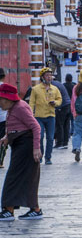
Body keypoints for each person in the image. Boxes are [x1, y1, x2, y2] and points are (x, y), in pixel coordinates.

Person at [0, 84, 43, 221]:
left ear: (7, 99)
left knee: (14, 177)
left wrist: (36, 148)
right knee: (25, 178)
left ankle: (9, 209)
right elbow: (16, 126)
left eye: (0, 100)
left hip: (27, 146)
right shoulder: (12, 108)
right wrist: (7, 137)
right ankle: (33, 209)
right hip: (19, 145)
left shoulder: (20, 108)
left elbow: (35, 127)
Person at [29, 68, 62, 165]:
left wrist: (55, 103)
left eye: (50, 75)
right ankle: (40, 156)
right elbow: (31, 103)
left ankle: (48, 157)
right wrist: (30, 114)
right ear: (42, 77)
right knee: (40, 136)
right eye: (47, 75)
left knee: (50, 138)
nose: (49, 77)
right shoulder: (35, 89)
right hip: (39, 117)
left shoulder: (55, 89)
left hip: (51, 116)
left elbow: (60, 100)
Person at [52, 75, 71, 150]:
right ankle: (65, 143)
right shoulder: (59, 83)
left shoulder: (53, 85)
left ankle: (59, 143)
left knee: (60, 125)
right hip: (68, 105)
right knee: (66, 125)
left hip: (62, 106)